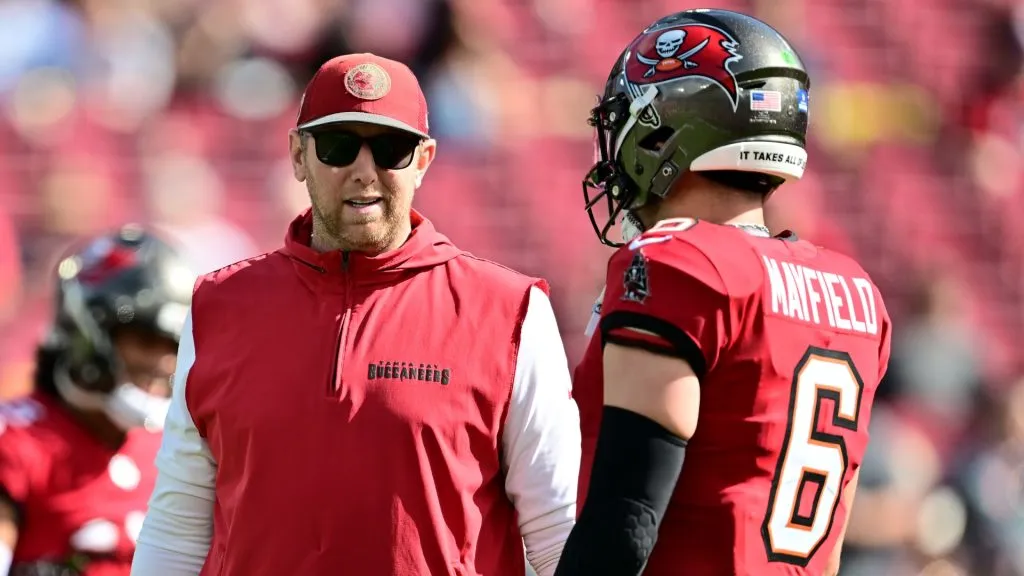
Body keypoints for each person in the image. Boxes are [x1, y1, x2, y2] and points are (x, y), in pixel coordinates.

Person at [130, 53, 581, 576]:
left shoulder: (510, 311)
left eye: (391, 148)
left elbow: (556, 531)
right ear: (298, 156)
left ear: (424, 160)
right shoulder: (218, 306)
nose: (364, 171)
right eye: (339, 146)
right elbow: (178, 526)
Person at [556, 9, 892, 576]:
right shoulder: (857, 292)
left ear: (668, 126)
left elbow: (627, 519)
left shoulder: (678, 263)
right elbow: (828, 547)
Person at [0, 225, 194, 575]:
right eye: (146, 341)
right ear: (86, 334)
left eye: (173, 347)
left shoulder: (175, 450)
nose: (164, 363)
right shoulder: (16, 443)